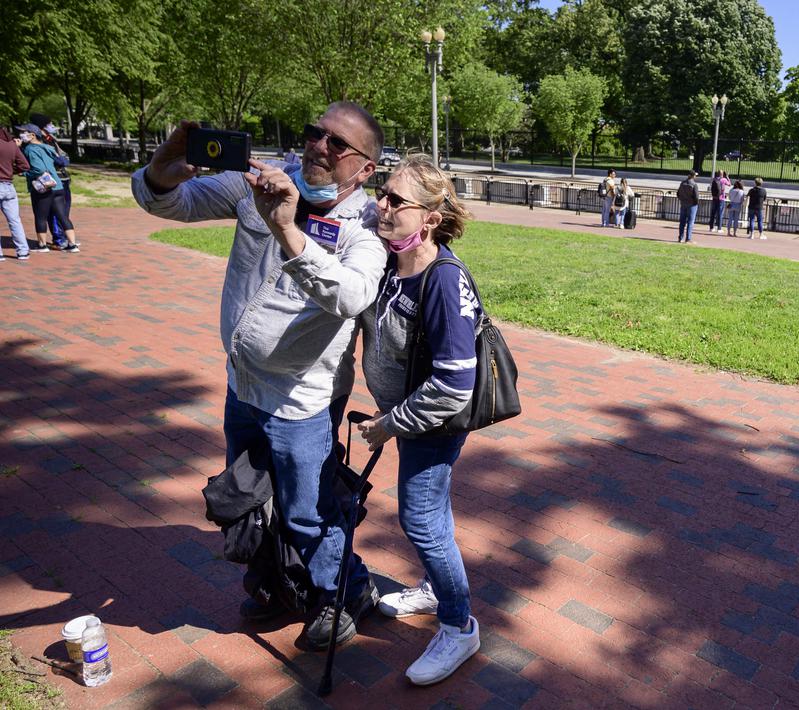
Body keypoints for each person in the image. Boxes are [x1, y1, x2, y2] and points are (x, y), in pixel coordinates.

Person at [131, 103, 388, 649]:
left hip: (304, 396)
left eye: (337, 144)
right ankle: (274, 583)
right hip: (243, 381)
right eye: (315, 133)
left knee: (307, 509)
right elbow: (166, 200)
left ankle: (342, 594)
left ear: (365, 168)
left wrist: (288, 226)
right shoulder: (260, 182)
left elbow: (351, 295)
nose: (319, 146)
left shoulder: (367, 227)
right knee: (248, 494)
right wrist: (166, 160)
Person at [353, 154, 482, 685]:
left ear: (429, 217)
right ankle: (435, 588)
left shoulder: (443, 281)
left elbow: (455, 383)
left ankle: (459, 624)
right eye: (381, 193)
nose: (380, 206)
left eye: (394, 201)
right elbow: (346, 206)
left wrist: (389, 424)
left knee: (421, 521)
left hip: (430, 424)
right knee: (434, 517)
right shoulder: (392, 257)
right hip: (407, 418)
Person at [19, 124, 80, 253]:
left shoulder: (30, 149)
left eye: (23, 132)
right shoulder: (48, 147)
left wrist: (24, 173)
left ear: (32, 135)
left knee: (40, 216)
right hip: (58, 185)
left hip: (43, 187)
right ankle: (73, 244)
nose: (21, 135)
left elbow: (38, 169)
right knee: (63, 216)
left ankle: (42, 245)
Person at [30, 114, 71, 249]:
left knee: (63, 211)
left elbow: (63, 156)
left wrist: (63, 159)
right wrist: (59, 160)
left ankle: (66, 238)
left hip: (63, 179)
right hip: (51, 180)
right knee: (53, 212)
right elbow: (53, 159)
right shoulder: (38, 141)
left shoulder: (51, 139)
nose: (52, 126)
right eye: (49, 124)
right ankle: (59, 239)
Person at [0, 127, 32, 261]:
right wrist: (11, 171)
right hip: (8, 186)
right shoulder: (12, 145)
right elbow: (25, 166)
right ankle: (23, 251)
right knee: (14, 220)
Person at [677, 170, 699, 242]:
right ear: (693, 176)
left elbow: (678, 193)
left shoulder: (682, 183)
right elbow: (696, 196)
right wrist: (695, 203)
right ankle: (688, 238)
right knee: (690, 222)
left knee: (682, 222)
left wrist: (682, 199)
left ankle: (680, 237)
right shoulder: (694, 184)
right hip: (692, 205)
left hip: (683, 204)